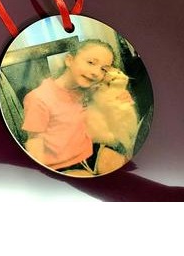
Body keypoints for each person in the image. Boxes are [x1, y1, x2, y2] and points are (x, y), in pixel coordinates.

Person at [21, 39, 131, 176]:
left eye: (103, 69)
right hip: (60, 166)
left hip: (90, 152)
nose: (96, 73)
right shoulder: (39, 98)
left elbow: (109, 103)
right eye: (91, 62)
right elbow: (34, 141)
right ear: (69, 60)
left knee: (128, 171)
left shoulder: (88, 89)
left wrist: (119, 96)